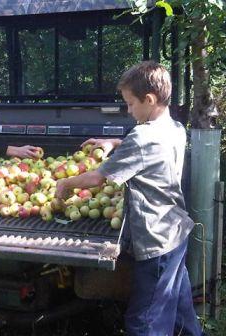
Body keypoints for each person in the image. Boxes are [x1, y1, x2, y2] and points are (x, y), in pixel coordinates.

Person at [55, 61, 202, 336]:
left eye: (130, 104)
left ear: (149, 99)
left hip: (156, 240)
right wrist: (114, 143)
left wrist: (66, 182)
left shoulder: (143, 135)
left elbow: (98, 179)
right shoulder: (175, 128)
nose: (128, 110)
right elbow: (150, 151)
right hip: (176, 232)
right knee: (180, 311)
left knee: (145, 321)